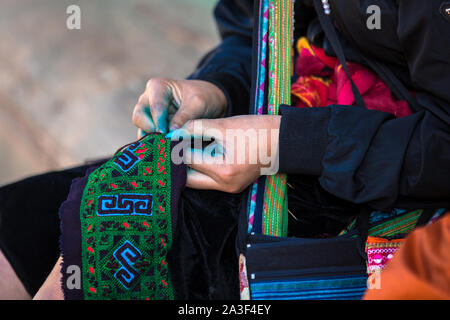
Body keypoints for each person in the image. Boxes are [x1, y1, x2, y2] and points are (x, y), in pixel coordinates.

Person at [1, 0, 449, 299]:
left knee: (116, 233)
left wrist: (282, 142)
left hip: (392, 170)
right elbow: (250, 27)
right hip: (290, 115)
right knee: (21, 221)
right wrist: (215, 86)